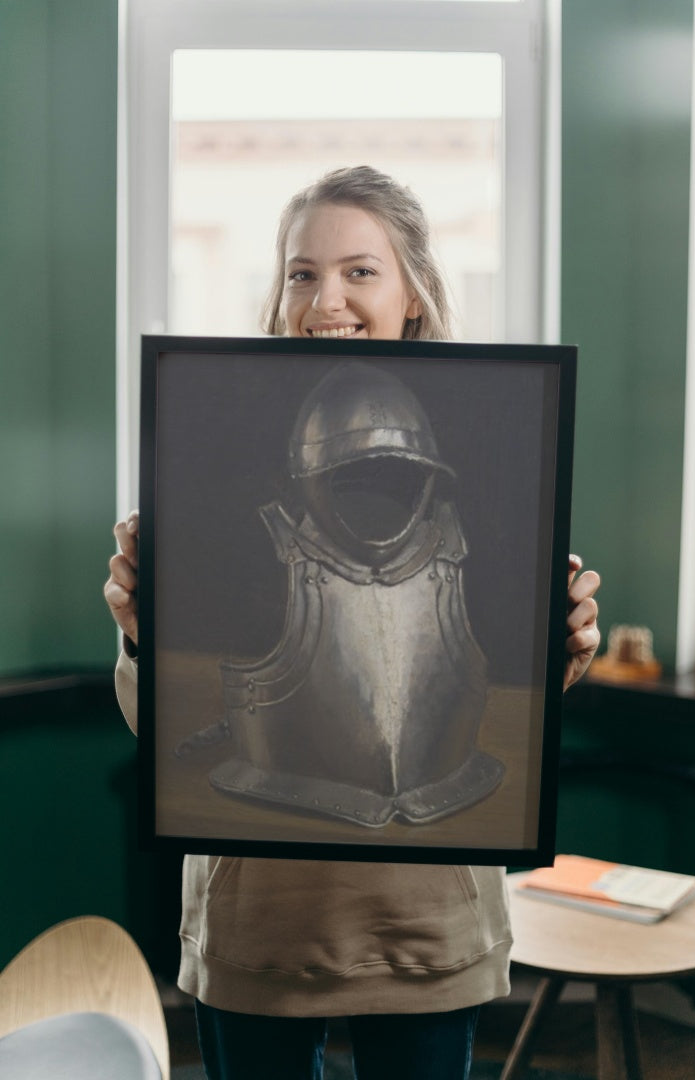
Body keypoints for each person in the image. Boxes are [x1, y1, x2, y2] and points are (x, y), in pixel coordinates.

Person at [105, 166, 601, 1080]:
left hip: (427, 915)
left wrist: (560, 650)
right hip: (262, 916)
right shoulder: (208, 486)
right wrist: (140, 634)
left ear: (413, 290)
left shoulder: (498, 474)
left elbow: (489, 701)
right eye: (301, 272)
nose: (325, 297)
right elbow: (162, 728)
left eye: (359, 271)